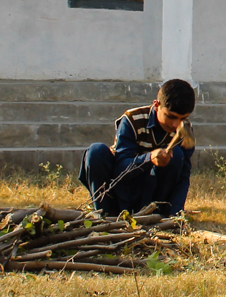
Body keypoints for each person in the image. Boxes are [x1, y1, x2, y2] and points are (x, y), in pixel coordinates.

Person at [79, 79, 196, 217]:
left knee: (177, 155)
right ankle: (104, 214)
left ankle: (161, 213)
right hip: (121, 189)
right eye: (171, 117)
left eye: (183, 118)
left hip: (152, 194)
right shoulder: (132, 120)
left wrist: (176, 213)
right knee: (96, 152)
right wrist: (149, 158)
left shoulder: (184, 130)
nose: (176, 124)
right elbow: (120, 169)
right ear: (156, 105)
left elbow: (183, 176)